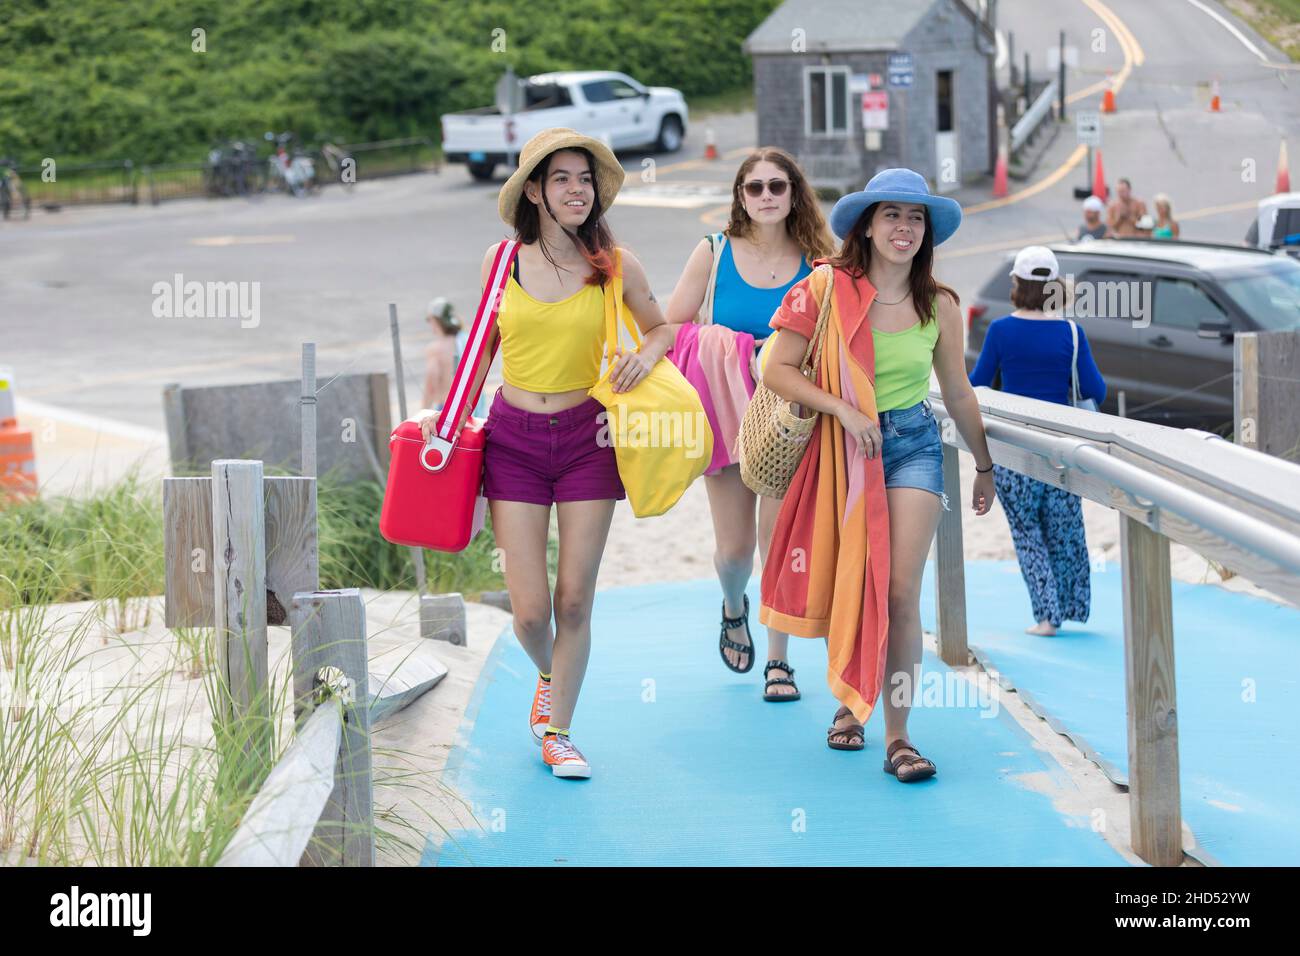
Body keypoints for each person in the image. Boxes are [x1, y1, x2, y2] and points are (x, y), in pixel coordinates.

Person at [418, 128, 675, 779]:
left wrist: (646, 355)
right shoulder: (501, 261)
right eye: (561, 178)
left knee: (576, 602)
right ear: (534, 188)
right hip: (514, 444)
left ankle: (559, 730)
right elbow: (480, 349)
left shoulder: (615, 264)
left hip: (590, 441)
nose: (575, 190)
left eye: (584, 180)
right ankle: (547, 673)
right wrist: (444, 427)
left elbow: (665, 326)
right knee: (531, 612)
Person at [759, 168, 996, 780]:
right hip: (844, 448)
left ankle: (898, 737)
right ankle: (848, 702)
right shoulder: (825, 288)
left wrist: (985, 464)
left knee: (898, 593)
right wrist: (841, 407)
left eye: (916, 218)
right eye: (892, 214)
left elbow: (959, 391)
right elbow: (776, 368)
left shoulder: (938, 304)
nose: (905, 227)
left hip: (913, 443)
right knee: (853, 582)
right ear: (866, 224)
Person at [663, 147, 834, 702]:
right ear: (740, 196)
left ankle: (779, 663)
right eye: (754, 187)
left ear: (794, 194)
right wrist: (731, 351)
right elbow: (671, 328)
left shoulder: (819, 260)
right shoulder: (712, 252)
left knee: (778, 544)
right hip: (726, 414)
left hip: (790, 421)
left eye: (776, 187)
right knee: (735, 552)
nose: (765, 196)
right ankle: (733, 606)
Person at [968, 246, 1106, 637]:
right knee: (1064, 531)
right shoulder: (1071, 333)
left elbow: (978, 383)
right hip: (1061, 451)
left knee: (1028, 534)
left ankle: (1047, 617)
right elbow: (1096, 389)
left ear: (1016, 284)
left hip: (1014, 451)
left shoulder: (1000, 331)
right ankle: (1072, 607)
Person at [421, 297, 460, 411]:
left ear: (435, 320)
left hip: (444, 408)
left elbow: (431, 384)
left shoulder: (435, 350)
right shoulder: (464, 342)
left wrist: (423, 412)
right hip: (467, 408)